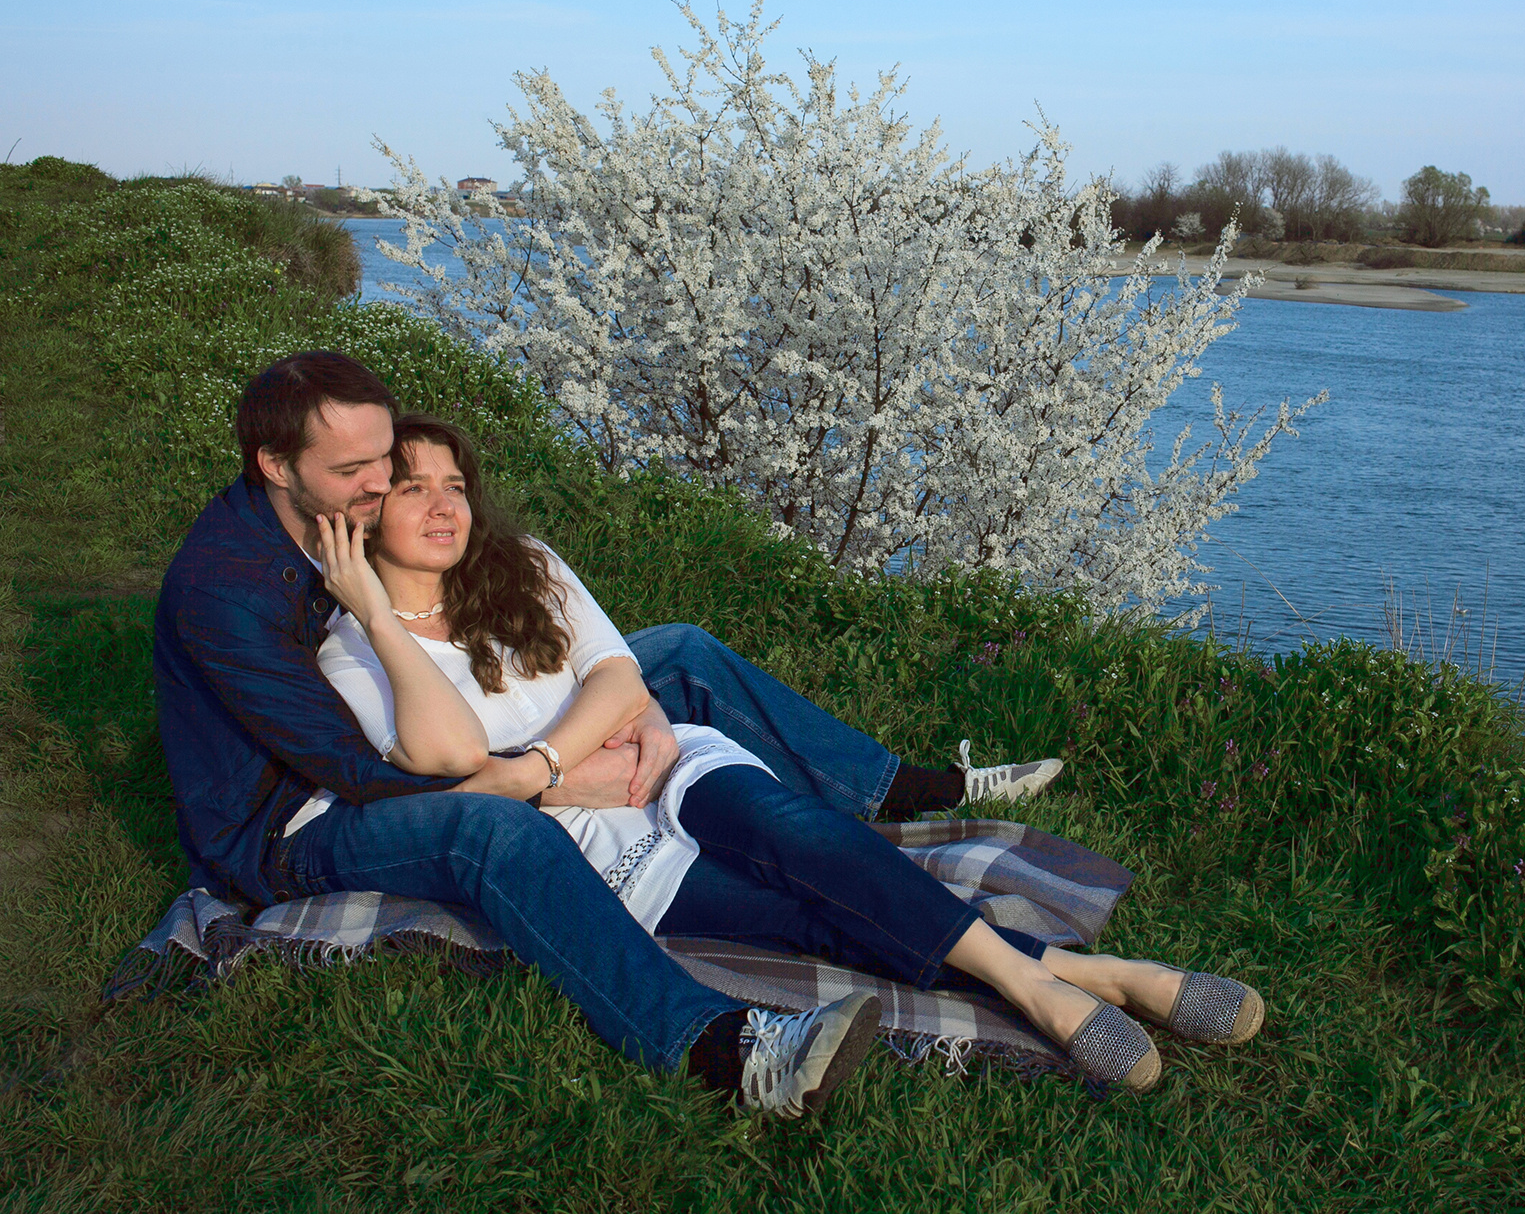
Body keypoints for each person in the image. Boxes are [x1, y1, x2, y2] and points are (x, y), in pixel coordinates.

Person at [308, 412, 1265, 1093]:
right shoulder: (355, 651)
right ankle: (1106, 976)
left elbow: (622, 682)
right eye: (412, 489)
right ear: (361, 517)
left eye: (456, 486)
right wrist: (380, 618)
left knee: (807, 840)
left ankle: (1033, 989)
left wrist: (542, 770)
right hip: (607, 852)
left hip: (667, 763)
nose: (444, 507)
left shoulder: (532, 567)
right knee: (806, 919)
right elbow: (450, 757)